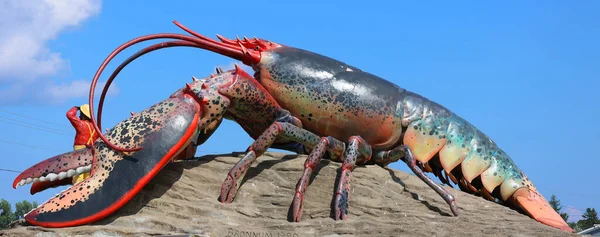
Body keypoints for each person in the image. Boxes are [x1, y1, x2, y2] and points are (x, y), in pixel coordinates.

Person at [66, 104, 99, 184]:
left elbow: (69, 115)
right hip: (91, 151)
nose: (79, 116)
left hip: (79, 150)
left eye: (81, 114)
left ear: (84, 115)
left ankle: (76, 187)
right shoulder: (95, 128)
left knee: (78, 172)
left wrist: (75, 108)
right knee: (87, 171)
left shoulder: (81, 124)